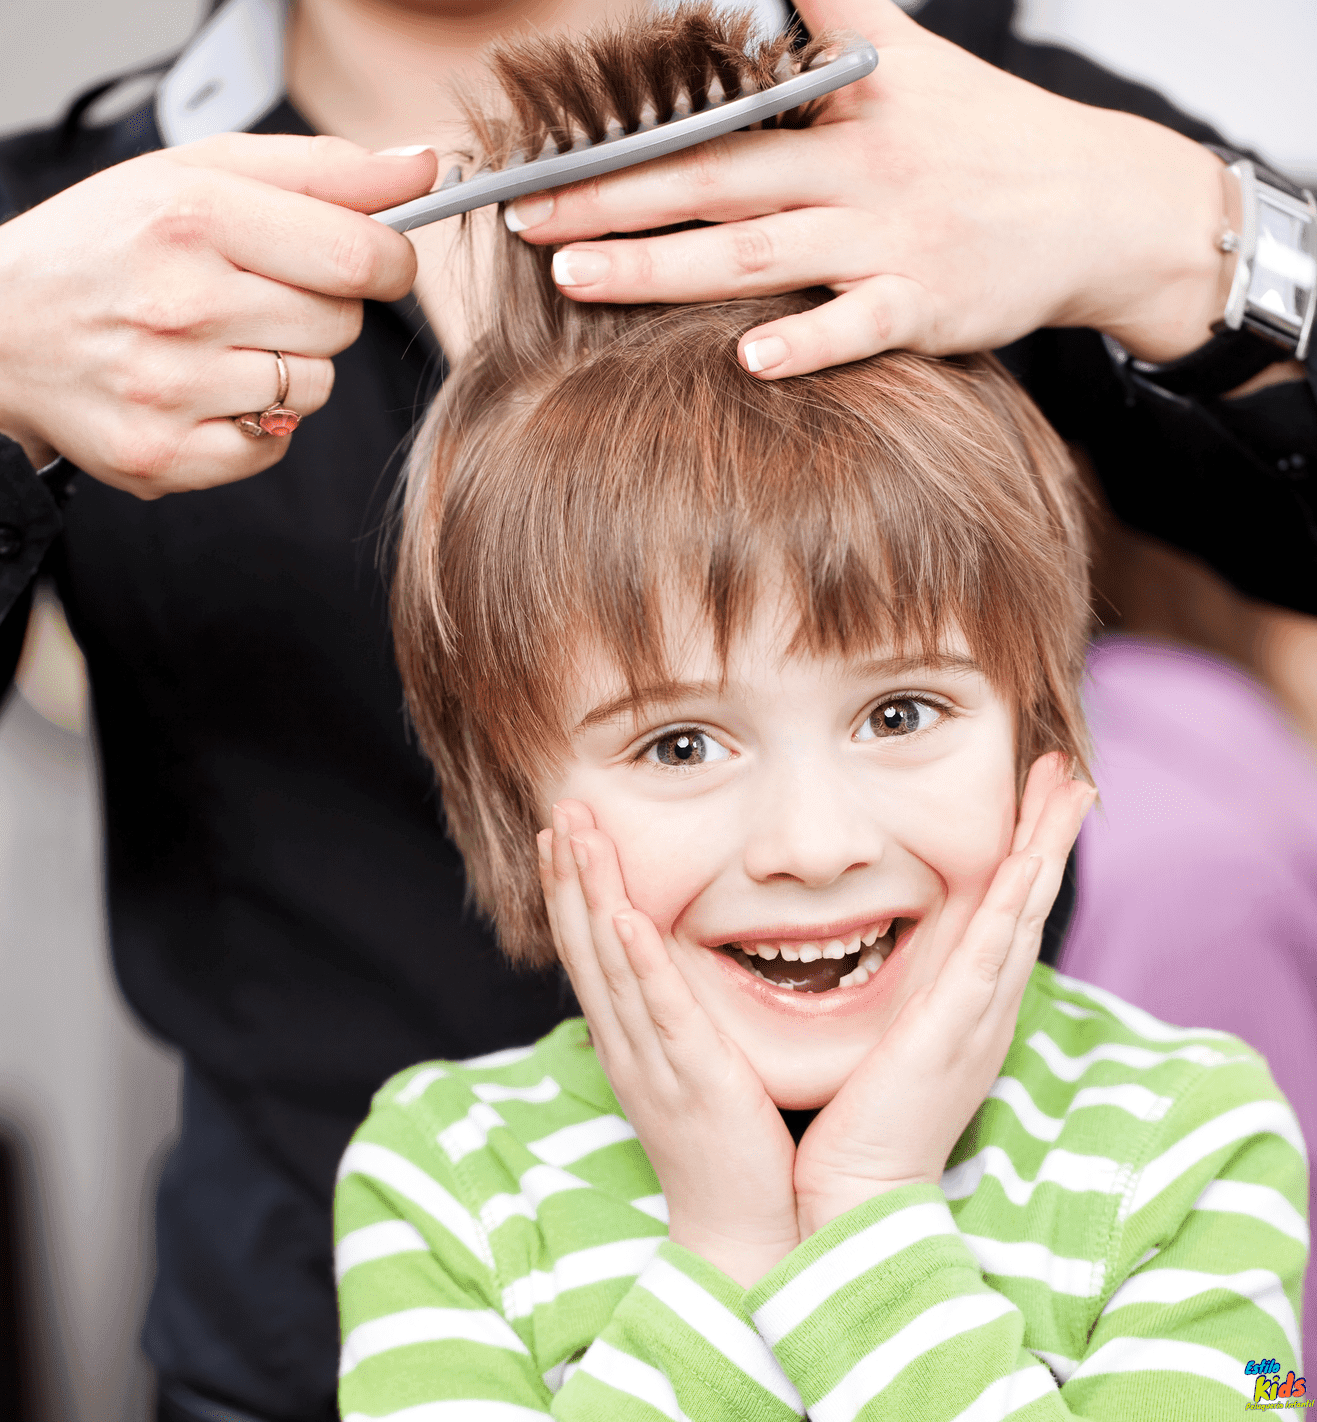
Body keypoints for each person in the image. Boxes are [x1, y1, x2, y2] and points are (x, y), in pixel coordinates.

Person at [0, 1, 1313, 1418]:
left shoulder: (959, 117)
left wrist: (1186, 230)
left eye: (900, 711)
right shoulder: (49, 235)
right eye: (679, 741)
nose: (809, 842)